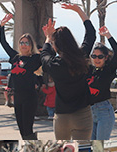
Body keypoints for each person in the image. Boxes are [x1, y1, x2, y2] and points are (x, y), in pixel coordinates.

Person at [41, 3, 96, 139]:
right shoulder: (81, 56)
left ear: (56, 45)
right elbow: (91, 34)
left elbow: (44, 55)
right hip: (83, 114)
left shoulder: (55, 64)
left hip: (62, 117)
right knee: (83, 148)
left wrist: (48, 37)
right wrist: (79, 11)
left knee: (62, 148)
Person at [0, 13, 41, 139]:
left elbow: (48, 53)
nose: (23, 45)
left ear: (31, 45)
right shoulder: (15, 57)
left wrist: (49, 37)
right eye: (21, 42)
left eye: (26, 43)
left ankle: (32, 145)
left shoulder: (35, 58)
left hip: (29, 96)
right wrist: (1, 26)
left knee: (28, 128)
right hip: (18, 97)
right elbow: (3, 42)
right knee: (22, 129)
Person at [88, 27, 117, 140]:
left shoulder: (109, 70)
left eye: (100, 56)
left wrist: (108, 35)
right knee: (93, 144)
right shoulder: (90, 70)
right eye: (94, 56)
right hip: (90, 112)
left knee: (101, 144)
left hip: (104, 112)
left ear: (106, 57)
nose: (97, 59)